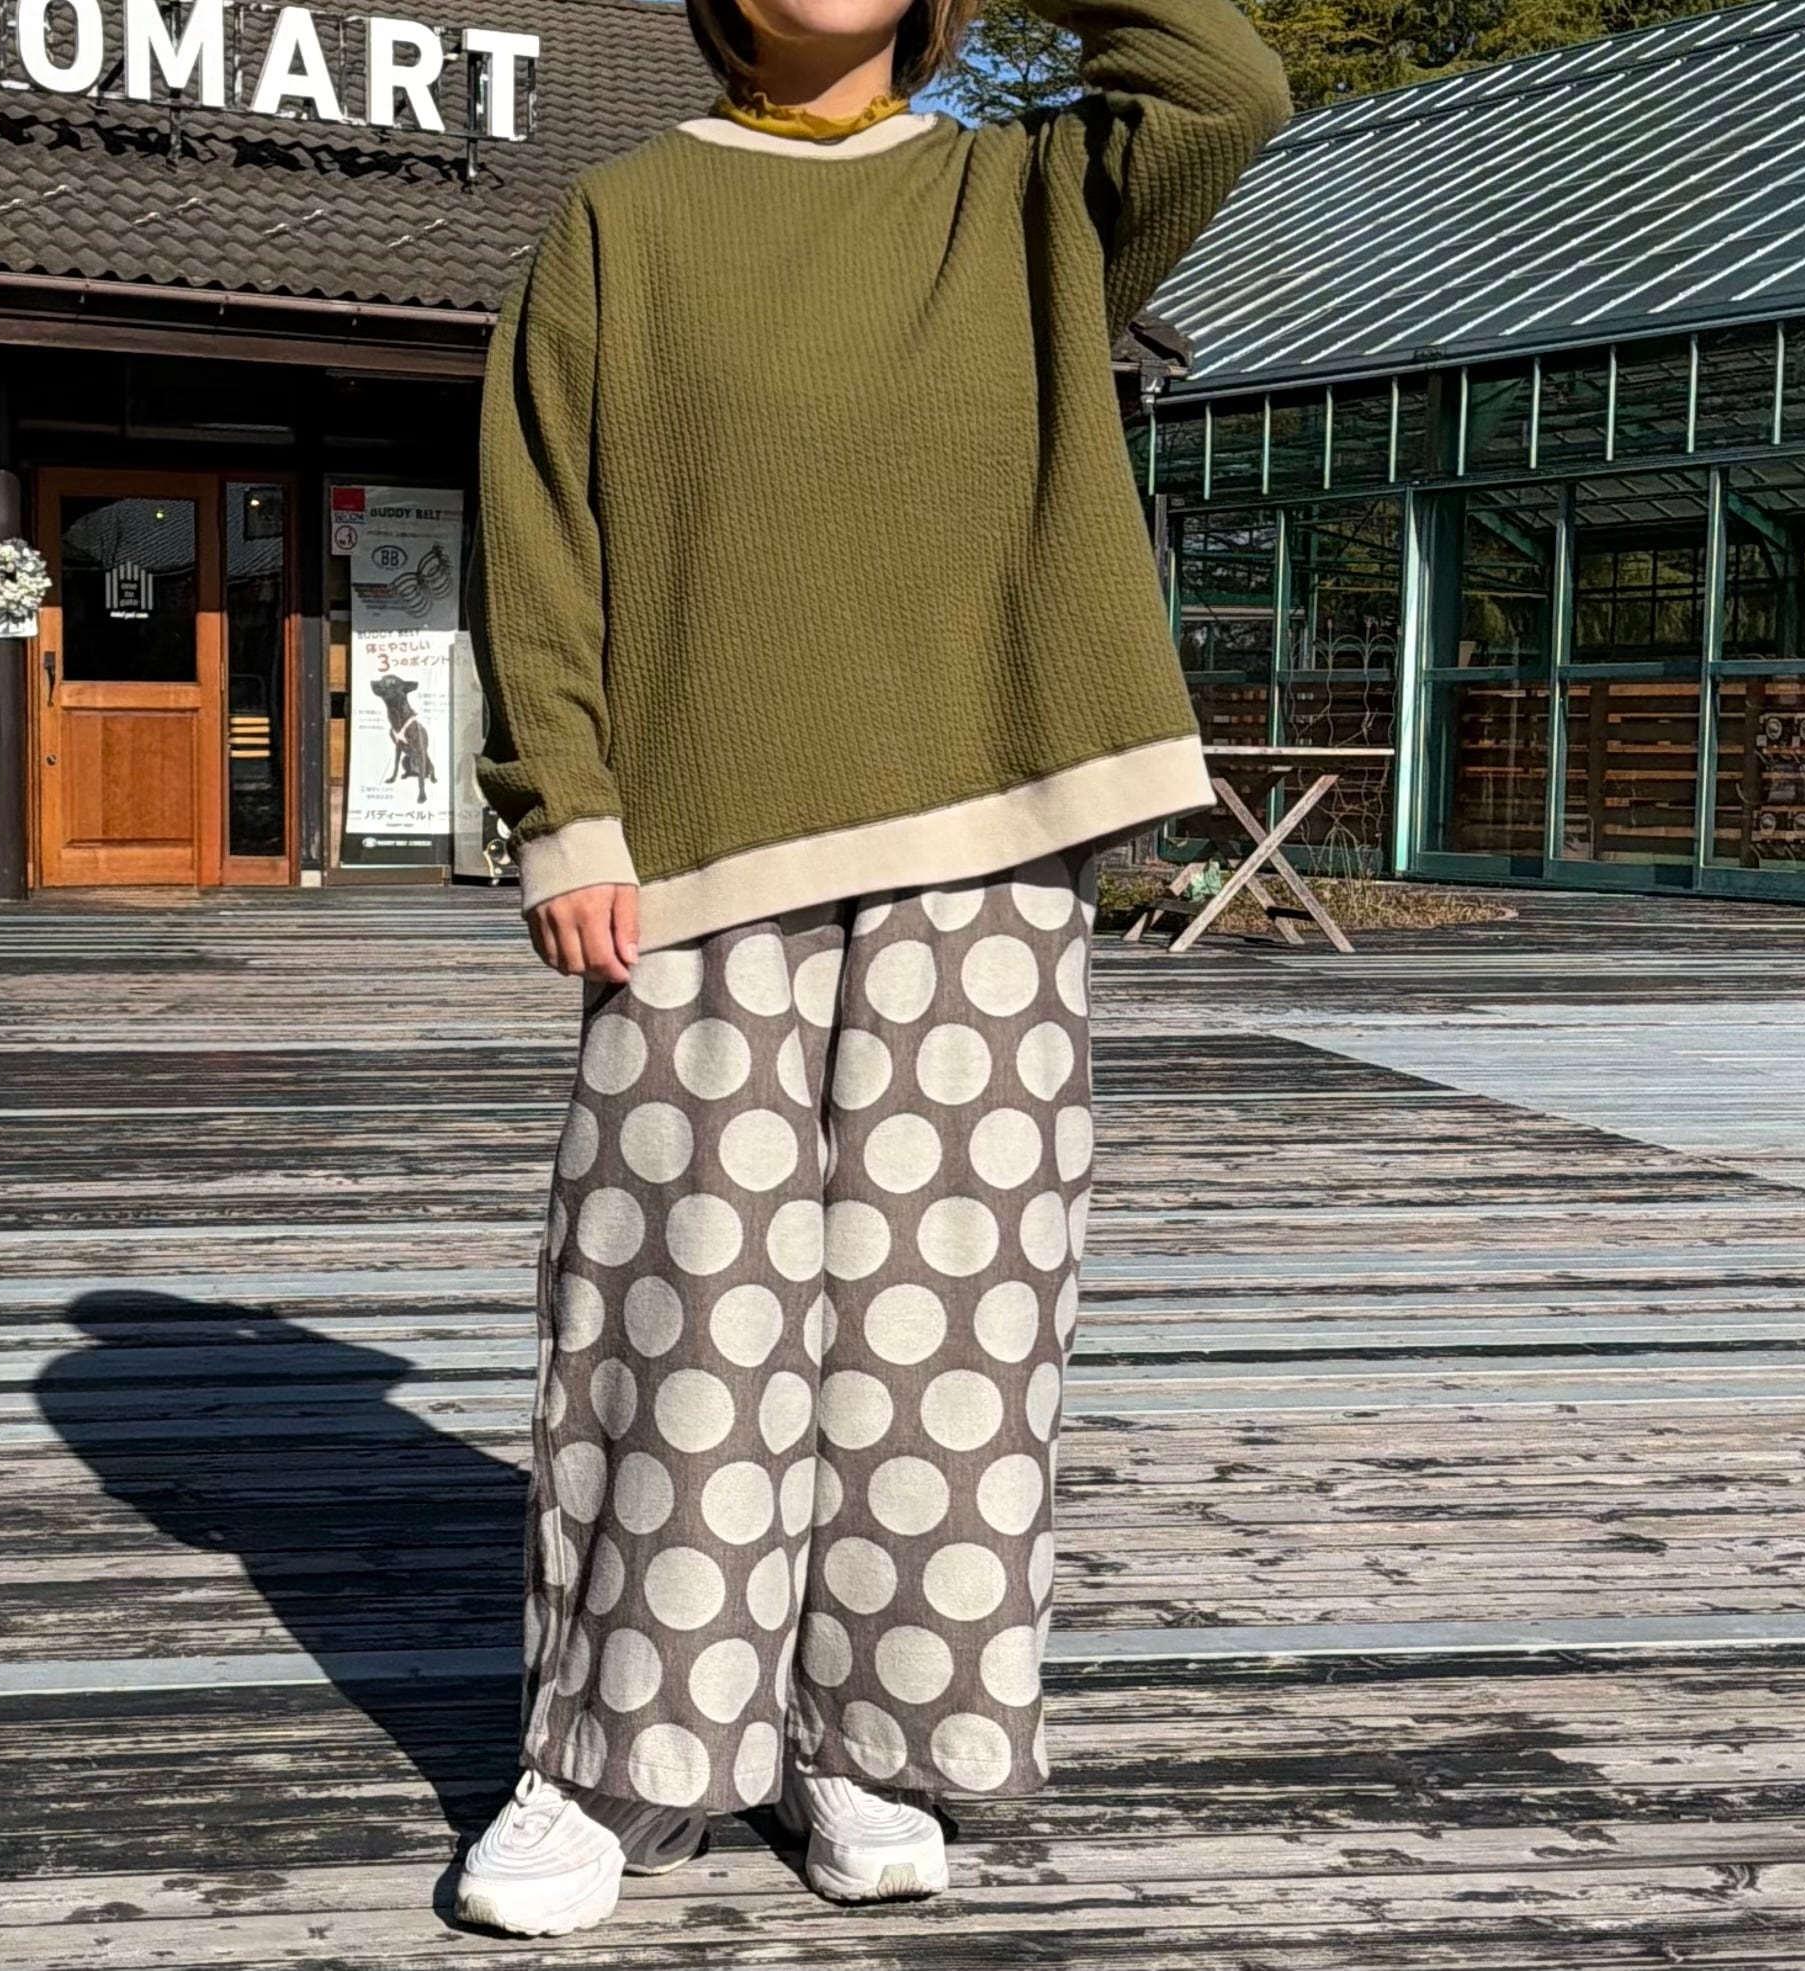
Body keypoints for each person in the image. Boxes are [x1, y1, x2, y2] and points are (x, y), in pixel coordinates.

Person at [455, 0, 1290, 1936]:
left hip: (985, 836)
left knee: (948, 1330)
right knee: (677, 1311)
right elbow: (537, 527)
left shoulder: (1029, 197)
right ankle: (611, 1755)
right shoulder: (624, 220)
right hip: (697, 861)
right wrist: (563, 808)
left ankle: (871, 1736)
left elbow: (1224, 81)